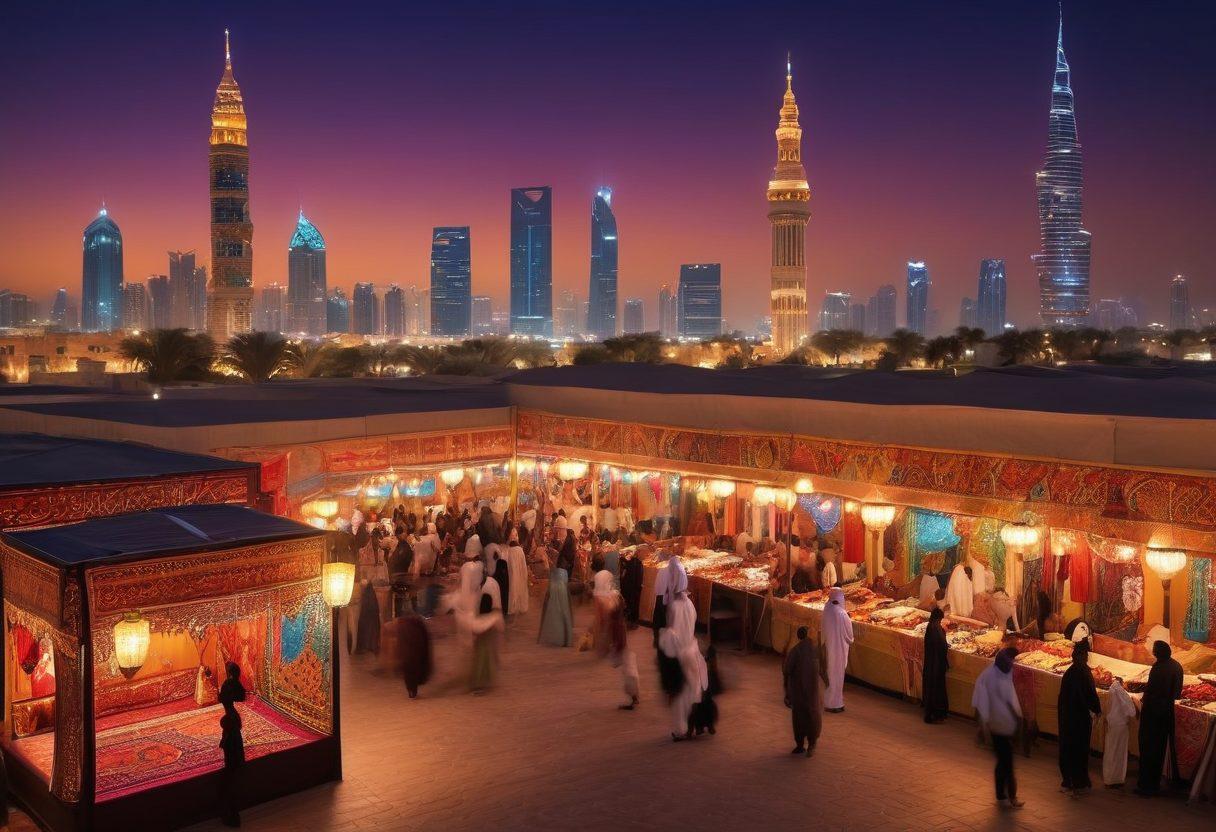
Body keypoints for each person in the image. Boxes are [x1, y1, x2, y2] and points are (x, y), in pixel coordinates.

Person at [657, 563, 707, 741]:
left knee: (682, 696)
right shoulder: (690, 604)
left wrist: (664, 639)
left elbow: (674, 634)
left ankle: (683, 730)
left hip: (681, 653)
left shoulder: (675, 607)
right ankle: (695, 726)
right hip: (692, 650)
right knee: (694, 692)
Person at [972, 647, 1024, 809]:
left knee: (1002, 761)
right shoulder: (992, 675)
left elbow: (1009, 697)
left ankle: (1001, 795)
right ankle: (1011, 796)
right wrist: (984, 724)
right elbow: (983, 701)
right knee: (1006, 761)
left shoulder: (999, 671)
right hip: (997, 724)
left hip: (1004, 723)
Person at [1135, 639, 1184, 796]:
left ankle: (1145, 785)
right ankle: (1155, 784)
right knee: (1159, 749)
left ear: (1159, 652)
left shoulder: (1158, 668)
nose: (1153, 652)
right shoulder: (1177, 667)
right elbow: (1177, 693)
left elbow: (1150, 691)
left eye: (1154, 650)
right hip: (1167, 715)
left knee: (1147, 748)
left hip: (1152, 715)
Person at [1057, 642, 1101, 794]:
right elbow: (1090, 693)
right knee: (1080, 749)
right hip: (1079, 718)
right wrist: (1097, 709)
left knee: (1067, 748)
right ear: (1083, 656)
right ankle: (1079, 781)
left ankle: (1068, 779)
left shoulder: (1069, 673)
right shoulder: (1084, 672)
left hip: (1066, 717)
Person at [782, 626, 824, 756]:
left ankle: (800, 745)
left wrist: (787, 693)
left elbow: (787, 671)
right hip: (812, 692)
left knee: (799, 717)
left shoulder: (795, 651)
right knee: (813, 716)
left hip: (799, 691)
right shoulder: (815, 650)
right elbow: (823, 669)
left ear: (798, 636)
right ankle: (812, 744)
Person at [218, 661, 247, 827]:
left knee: (230, 774)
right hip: (232, 721)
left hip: (232, 723)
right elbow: (241, 696)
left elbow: (233, 696)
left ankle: (231, 812)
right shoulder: (233, 684)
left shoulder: (230, 684)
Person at [538, 519, 574, 647]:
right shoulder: (560, 540)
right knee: (557, 606)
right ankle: (561, 635)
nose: (556, 531)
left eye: (558, 529)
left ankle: (562, 635)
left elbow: (569, 560)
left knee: (560, 606)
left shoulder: (569, 541)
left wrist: (556, 556)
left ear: (562, 528)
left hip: (562, 575)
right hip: (558, 575)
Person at [820, 587, 853, 713]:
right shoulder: (842, 614)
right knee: (837, 676)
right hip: (839, 650)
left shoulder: (826, 608)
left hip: (828, 647)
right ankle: (836, 703)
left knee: (829, 674)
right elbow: (849, 636)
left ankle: (829, 701)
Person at [466, 592, 504, 693]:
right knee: (487, 664)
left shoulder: (477, 618)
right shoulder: (494, 616)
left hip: (479, 645)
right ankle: (484, 683)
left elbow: (474, 630)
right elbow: (500, 629)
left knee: (479, 664)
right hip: (489, 646)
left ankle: (477, 684)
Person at [1102, 676, 1137, 788]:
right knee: (1119, 753)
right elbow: (1131, 712)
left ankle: (1109, 778)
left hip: (1112, 724)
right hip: (1120, 725)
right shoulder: (1120, 691)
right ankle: (1116, 779)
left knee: (1111, 752)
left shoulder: (1113, 689)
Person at [396, 606, 432, 699]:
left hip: (408, 654)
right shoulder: (418, 624)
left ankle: (411, 690)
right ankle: (413, 690)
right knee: (414, 670)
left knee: (409, 671)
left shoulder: (403, 625)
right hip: (415, 652)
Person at [922, 606, 950, 723]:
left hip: (930, 664)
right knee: (936, 689)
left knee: (930, 688)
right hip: (937, 665)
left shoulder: (930, 626)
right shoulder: (937, 628)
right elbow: (942, 646)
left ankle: (929, 713)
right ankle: (935, 715)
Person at [505, 531, 530, 615]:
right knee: (520, 587)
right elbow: (523, 565)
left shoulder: (507, 550)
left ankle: (512, 607)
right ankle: (520, 606)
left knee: (512, 588)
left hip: (511, 574)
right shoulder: (520, 550)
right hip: (520, 573)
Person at [354, 580, 381, 654]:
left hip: (369, 611)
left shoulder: (368, 593)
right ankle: (368, 645)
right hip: (369, 611)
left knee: (369, 626)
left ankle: (368, 645)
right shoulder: (369, 593)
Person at [619, 548, 644, 628]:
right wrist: (639, 586)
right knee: (634, 606)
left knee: (627, 605)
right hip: (634, 588)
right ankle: (633, 623)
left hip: (626, 587)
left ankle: (626, 621)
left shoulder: (624, 563)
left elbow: (622, 576)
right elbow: (639, 577)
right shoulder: (638, 563)